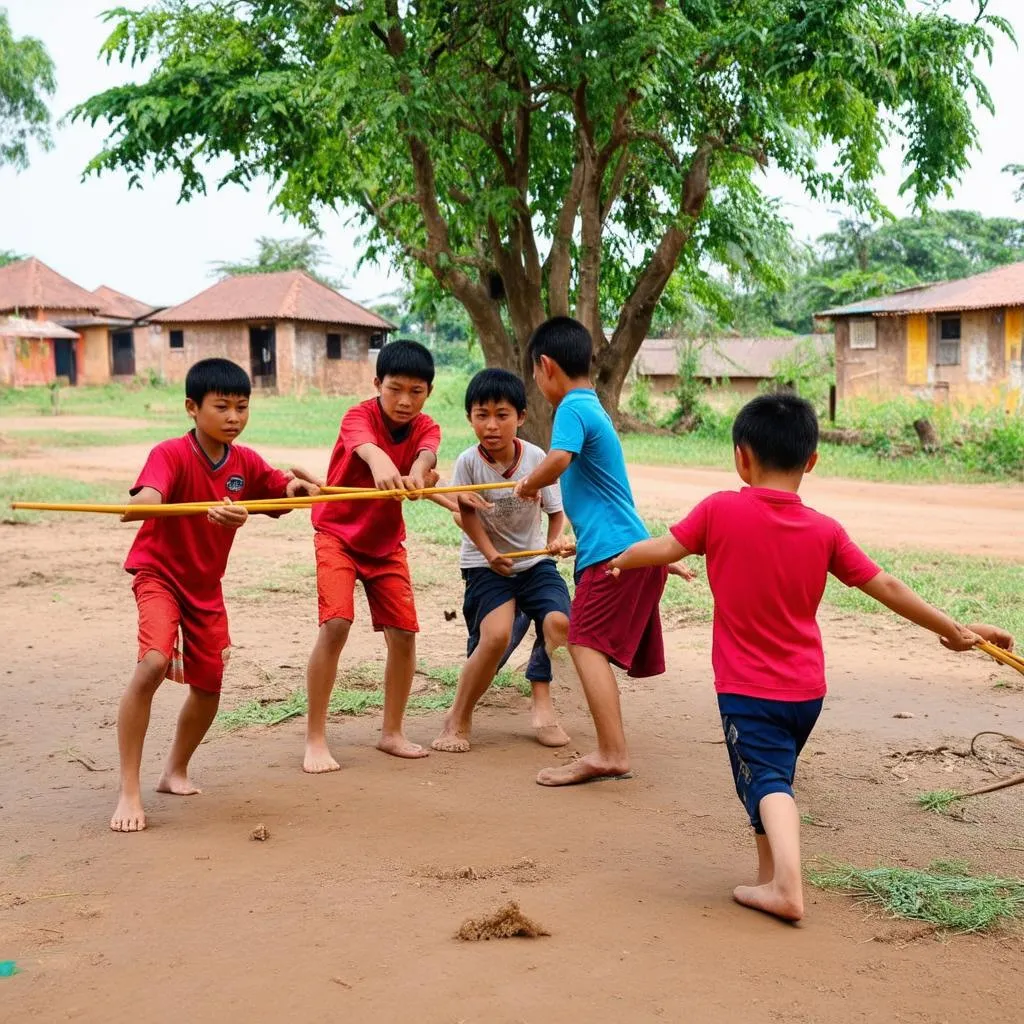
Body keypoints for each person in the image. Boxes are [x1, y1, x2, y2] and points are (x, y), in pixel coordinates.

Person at [607, 392, 1015, 922]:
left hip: (747, 690)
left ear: (740, 457)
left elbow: (661, 548)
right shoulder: (825, 530)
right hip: (806, 692)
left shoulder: (719, 510)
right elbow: (886, 586)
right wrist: (952, 630)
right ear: (813, 461)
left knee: (770, 783)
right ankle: (766, 876)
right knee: (768, 776)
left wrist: (619, 559)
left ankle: (787, 889)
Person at [111, 358, 320, 832]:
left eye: (242, 407)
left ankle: (173, 772)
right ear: (192, 407)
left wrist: (298, 487)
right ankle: (128, 791)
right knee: (153, 662)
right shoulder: (170, 453)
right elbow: (149, 495)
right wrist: (143, 502)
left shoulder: (243, 462)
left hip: (205, 587)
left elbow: (280, 490)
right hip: (159, 574)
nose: (233, 417)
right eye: (222, 406)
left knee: (209, 687)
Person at [514, 317, 673, 786]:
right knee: (587, 644)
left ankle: (611, 753)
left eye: (534, 374)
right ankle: (610, 749)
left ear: (545, 366)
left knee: (584, 644)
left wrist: (529, 483)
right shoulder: (593, 406)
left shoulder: (570, 408)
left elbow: (558, 460)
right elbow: (602, 497)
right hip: (623, 550)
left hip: (615, 557)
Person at [304, 340, 442, 772]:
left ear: (429, 392)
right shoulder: (357, 417)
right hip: (337, 535)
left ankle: (392, 732)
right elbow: (369, 450)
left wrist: (420, 474)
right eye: (395, 389)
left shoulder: (427, 427)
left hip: (385, 545)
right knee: (336, 623)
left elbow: (426, 455)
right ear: (376, 384)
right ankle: (315, 739)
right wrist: (384, 463)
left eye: (416, 392)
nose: (404, 401)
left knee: (403, 635)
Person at [431, 368, 574, 753]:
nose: (491, 425)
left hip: (533, 563)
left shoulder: (538, 458)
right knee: (493, 638)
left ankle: (542, 701)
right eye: (482, 415)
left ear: (521, 417)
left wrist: (552, 542)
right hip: (483, 563)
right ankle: (458, 716)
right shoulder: (467, 463)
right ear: (469, 419)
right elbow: (468, 517)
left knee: (559, 623)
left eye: (502, 415)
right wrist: (491, 554)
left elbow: (555, 512)